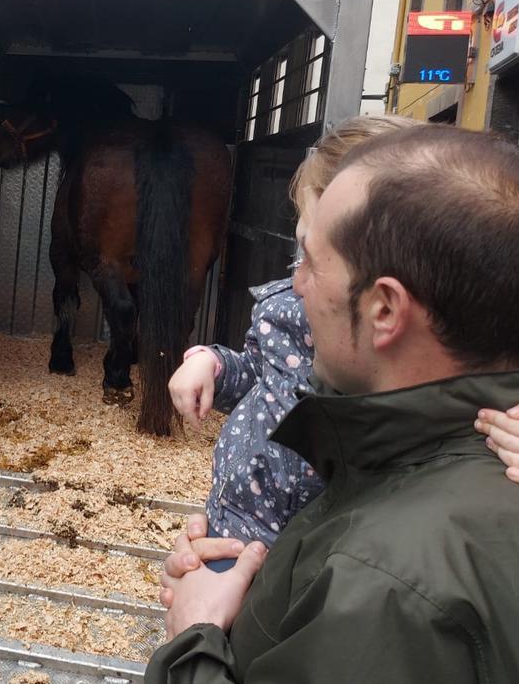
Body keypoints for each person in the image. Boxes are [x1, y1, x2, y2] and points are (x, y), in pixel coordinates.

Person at [148, 124, 519, 683]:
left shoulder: (382, 583)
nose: (296, 286)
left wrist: (193, 641)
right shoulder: (402, 457)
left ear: (384, 310)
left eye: (309, 259)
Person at [169, 116, 416, 560]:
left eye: (313, 257)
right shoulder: (287, 305)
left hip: (290, 558)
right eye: (300, 250)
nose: (297, 281)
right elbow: (265, 376)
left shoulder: (384, 371)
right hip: (236, 521)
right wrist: (214, 365)